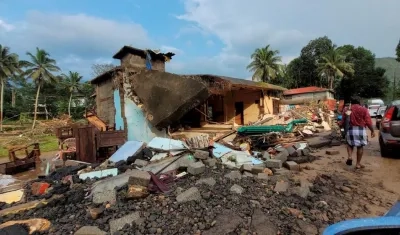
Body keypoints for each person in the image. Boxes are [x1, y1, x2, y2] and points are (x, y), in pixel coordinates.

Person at [340, 96, 375, 169]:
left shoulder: (347, 109)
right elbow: (368, 122)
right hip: (360, 130)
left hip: (350, 129)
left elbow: (343, 121)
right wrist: (372, 131)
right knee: (360, 146)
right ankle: (358, 164)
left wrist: (341, 126)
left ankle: (350, 157)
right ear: (359, 102)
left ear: (351, 102)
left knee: (349, 144)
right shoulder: (364, 109)